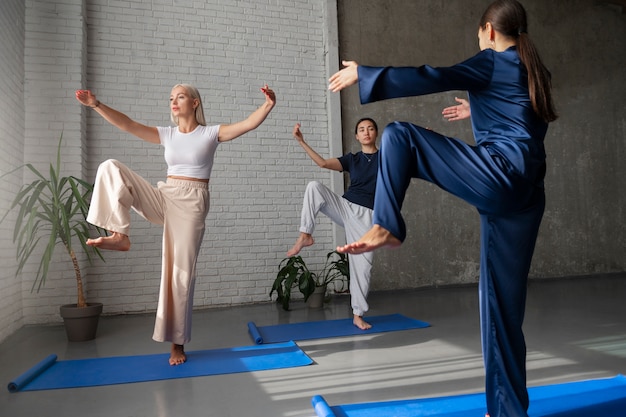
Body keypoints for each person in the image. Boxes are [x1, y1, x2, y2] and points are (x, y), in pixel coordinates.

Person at [328, 0, 557, 416]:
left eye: (478, 33)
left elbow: (434, 75)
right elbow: (527, 120)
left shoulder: (491, 61)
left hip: (501, 176)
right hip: (527, 196)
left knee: (399, 136)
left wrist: (366, 73)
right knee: (502, 310)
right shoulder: (533, 71)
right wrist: (480, 107)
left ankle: (387, 225)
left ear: (488, 30)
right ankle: (506, 411)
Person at [75, 83, 276, 365]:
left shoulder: (209, 133)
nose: (173, 101)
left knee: (179, 273)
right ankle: (119, 233)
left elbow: (246, 125)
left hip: (192, 203)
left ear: (194, 102)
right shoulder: (167, 135)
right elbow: (128, 125)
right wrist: (96, 105)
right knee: (110, 167)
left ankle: (177, 345)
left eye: (180, 96)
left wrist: (268, 104)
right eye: (171, 97)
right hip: (166, 195)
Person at [287, 118, 379, 330]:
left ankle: (357, 315)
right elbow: (322, 163)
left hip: (367, 217)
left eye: (370, 129)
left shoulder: (386, 157)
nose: (366, 132)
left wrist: (421, 139)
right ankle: (305, 235)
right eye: (362, 130)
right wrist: (302, 141)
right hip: (346, 207)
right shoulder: (352, 159)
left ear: (376, 133)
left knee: (362, 268)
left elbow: (408, 159)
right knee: (314, 187)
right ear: (357, 136)